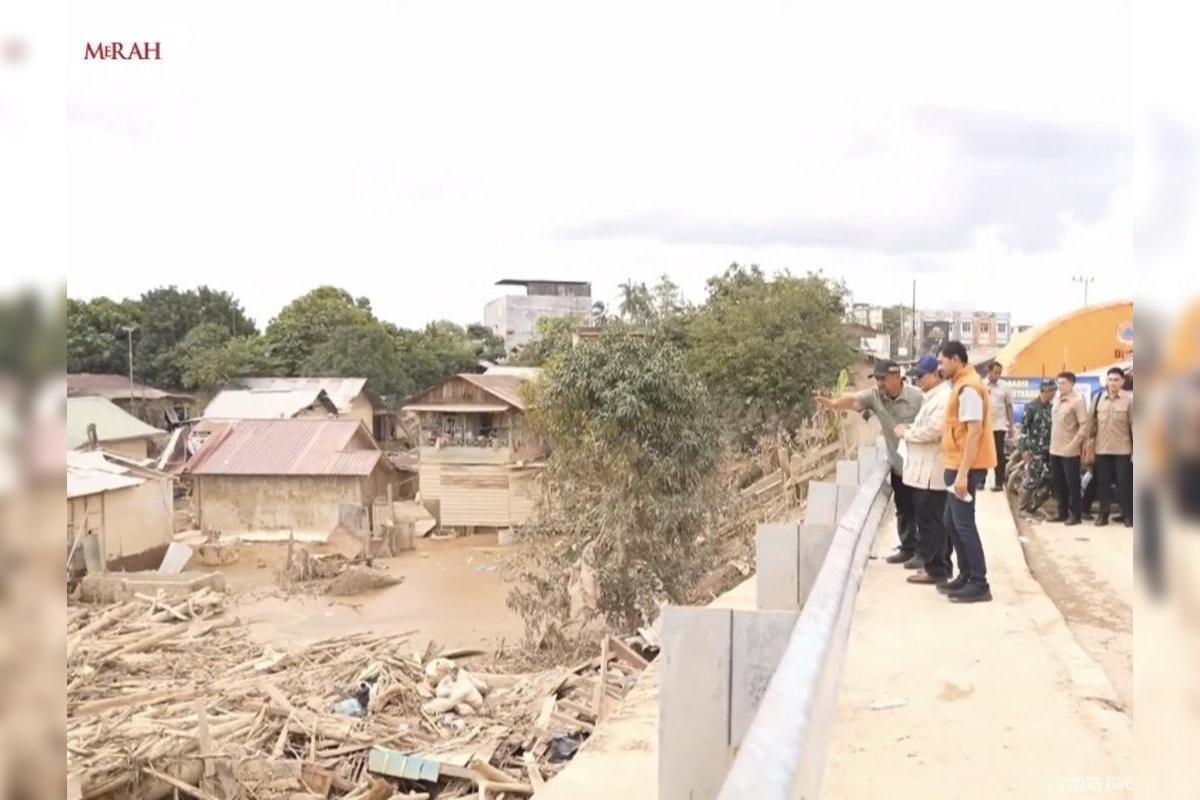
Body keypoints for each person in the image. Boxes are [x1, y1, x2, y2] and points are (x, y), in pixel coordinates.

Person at [817, 359, 924, 564]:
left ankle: (926, 553)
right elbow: (854, 401)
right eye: (876, 379)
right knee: (904, 508)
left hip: (921, 466)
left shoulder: (917, 397)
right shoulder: (875, 397)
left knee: (924, 511)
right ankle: (908, 548)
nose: (879, 384)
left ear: (896, 377)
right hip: (899, 465)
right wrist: (834, 405)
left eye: (882, 379)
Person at [935, 340, 997, 603]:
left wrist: (962, 473)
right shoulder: (960, 384)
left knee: (963, 524)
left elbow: (974, 432)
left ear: (956, 360)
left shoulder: (969, 388)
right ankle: (965, 574)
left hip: (964, 466)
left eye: (942, 361)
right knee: (951, 522)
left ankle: (979, 582)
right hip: (955, 463)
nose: (940, 366)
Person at [893, 355, 953, 584]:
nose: (918, 381)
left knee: (932, 522)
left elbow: (934, 430)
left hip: (932, 470)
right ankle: (935, 565)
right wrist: (910, 428)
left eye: (921, 376)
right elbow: (924, 426)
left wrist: (906, 433)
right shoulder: (931, 397)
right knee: (929, 521)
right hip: (922, 470)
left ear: (935, 374)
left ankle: (937, 569)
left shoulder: (944, 398)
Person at [1088, 367, 1133, 527]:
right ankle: (1103, 515)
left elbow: (1134, 426)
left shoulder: (1129, 400)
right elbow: (1091, 425)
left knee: (1124, 484)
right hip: (1102, 449)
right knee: (1103, 484)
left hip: (1123, 450)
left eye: (1116, 380)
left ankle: (1128, 515)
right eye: (1110, 379)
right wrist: (1089, 444)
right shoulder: (1098, 398)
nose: (1113, 383)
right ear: (1106, 381)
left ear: (1122, 381)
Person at [1049, 371, 1089, 525]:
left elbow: (1084, 426)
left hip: (1069, 450)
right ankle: (1062, 512)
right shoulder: (1057, 399)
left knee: (1072, 483)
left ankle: (1075, 515)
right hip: (1055, 448)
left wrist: (1073, 444)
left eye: (1063, 383)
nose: (1060, 386)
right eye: (1058, 383)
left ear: (1072, 384)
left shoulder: (1078, 400)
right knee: (1058, 483)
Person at [1016, 380, 1056, 515]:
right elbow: (1024, 430)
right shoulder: (1031, 407)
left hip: (1049, 451)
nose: (1053, 393)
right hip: (1034, 451)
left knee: (1048, 480)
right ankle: (1022, 508)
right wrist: (1024, 450)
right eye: (1051, 391)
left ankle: (1033, 506)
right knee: (1032, 479)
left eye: (1054, 390)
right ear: (1044, 391)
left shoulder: (1052, 408)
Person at [985, 362, 1016, 491]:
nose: (997, 375)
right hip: (984, 426)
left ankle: (999, 482)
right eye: (995, 372)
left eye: (999, 373)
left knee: (999, 454)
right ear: (989, 371)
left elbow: (1009, 406)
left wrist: (1011, 426)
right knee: (983, 453)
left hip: (999, 425)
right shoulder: (981, 385)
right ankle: (981, 481)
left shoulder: (1005, 387)